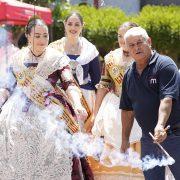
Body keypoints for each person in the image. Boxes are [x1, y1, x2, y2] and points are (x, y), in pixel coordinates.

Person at [0, 17, 88, 180]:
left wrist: (77, 104)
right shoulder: (17, 58)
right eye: (37, 35)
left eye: (45, 35)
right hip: (17, 109)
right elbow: (7, 86)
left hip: (50, 108)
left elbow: (69, 83)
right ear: (28, 35)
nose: (42, 40)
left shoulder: (57, 58)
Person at [120, 26, 180, 179]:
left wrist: (160, 125)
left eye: (139, 42)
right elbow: (127, 110)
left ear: (149, 41)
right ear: (127, 48)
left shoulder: (165, 65)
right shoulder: (128, 75)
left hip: (174, 135)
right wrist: (125, 139)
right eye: (131, 45)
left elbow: (166, 99)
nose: (136, 47)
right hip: (148, 139)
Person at [86, 22, 142, 166]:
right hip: (114, 108)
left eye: (126, 35)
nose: (122, 40)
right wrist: (95, 114)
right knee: (110, 150)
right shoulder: (110, 58)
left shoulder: (144, 56)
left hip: (138, 110)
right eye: (119, 36)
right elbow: (103, 86)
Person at [49, 11, 101, 130]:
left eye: (77, 24)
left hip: (86, 99)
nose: (73, 27)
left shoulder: (90, 50)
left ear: (82, 26)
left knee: (85, 139)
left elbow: (97, 81)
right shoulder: (53, 48)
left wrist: (98, 110)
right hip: (62, 98)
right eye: (70, 24)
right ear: (64, 24)